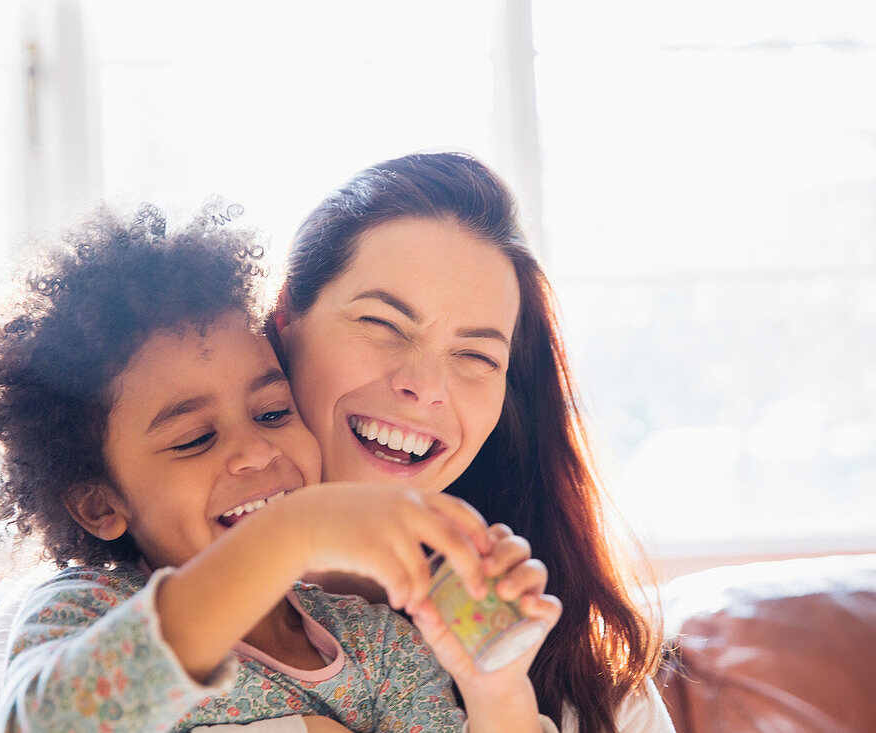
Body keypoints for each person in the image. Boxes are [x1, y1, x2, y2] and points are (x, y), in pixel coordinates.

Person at [0, 203, 559, 732]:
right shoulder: (84, 612)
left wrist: (497, 688)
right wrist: (292, 532)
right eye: (193, 439)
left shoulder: (376, 646)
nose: (255, 453)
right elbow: (49, 724)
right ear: (99, 503)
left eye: (272, 414)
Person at [269, 152, 671, 732]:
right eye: (382, 324)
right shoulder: (154, 632)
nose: (425, 386)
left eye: (476, 355)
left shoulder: (582, 678)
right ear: (286, 317)